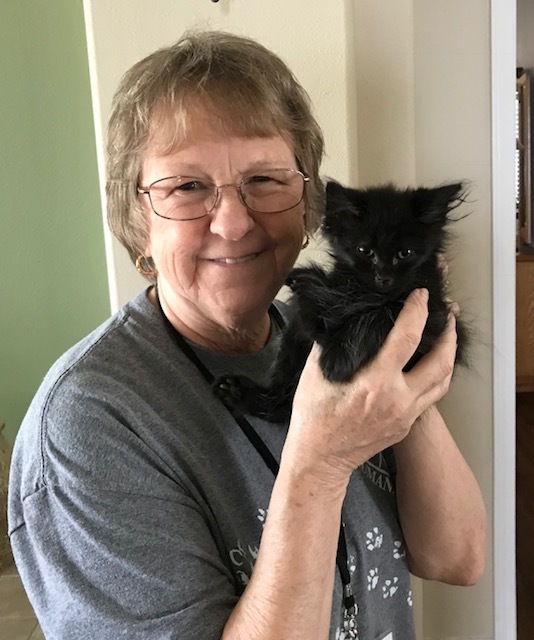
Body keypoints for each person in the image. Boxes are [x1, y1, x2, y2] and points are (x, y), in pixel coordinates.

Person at [8, 30, 486, 640]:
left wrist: (399, 362)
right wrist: (321, 463)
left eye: (264, 179)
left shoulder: (321, 333)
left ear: (311, 203)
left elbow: (458, 557)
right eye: (186, 187)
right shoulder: (89, 426)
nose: (233, 223)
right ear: (137, 219)